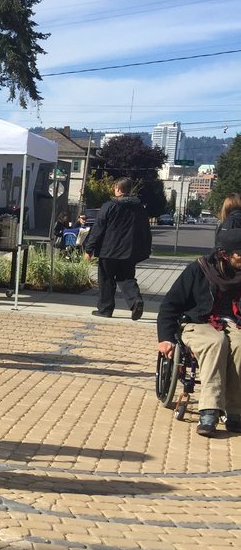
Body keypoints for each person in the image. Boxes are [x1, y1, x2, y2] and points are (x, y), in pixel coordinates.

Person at [157, 227, 241, 437]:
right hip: (198, 321)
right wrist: (166, 338)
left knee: (240, 344)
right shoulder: (198, 270)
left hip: (232, 321)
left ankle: (236, 411)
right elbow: (170, 305)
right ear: (224, 254)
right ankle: (210, 409)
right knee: (216, 342)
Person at [84, 177, 151, 320]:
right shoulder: (139, 208)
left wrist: (89, 249)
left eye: (115, 188)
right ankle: (135, 301)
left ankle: (105, 309)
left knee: (106, 279)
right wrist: (145, 249)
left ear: (118, 189)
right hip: (129, 251)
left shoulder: (109, 206)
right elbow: (145, 230)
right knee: (127, 277)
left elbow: (98, 228)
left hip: (108, 250)